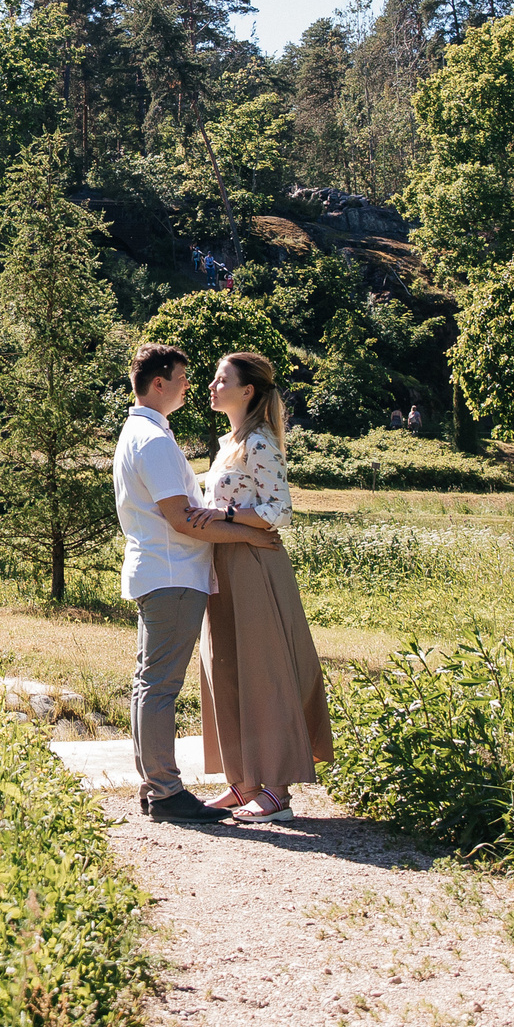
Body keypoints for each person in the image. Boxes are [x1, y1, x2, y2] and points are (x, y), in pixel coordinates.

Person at [114, 343, 286, 822]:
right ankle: (166, 792)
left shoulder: (146, 434)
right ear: (160, 383)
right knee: (159, 686)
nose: (192, 384)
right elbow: (183, 519)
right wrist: (249, 537)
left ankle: (157, 788)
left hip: (169, 572)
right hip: (172, 574)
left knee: (151, 683)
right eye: (185, 376)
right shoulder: (153, 441)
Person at [192, 352, 336, 823]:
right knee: (225, 666)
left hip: (253, 562)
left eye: (221, 379)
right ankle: (244, 781)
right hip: (222, 561)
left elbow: (280, 510)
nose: (211, 386)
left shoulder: (259, 442)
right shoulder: (228, 443)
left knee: (263, 669)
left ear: (247, 390)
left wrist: (224, 515)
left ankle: (276, 789)